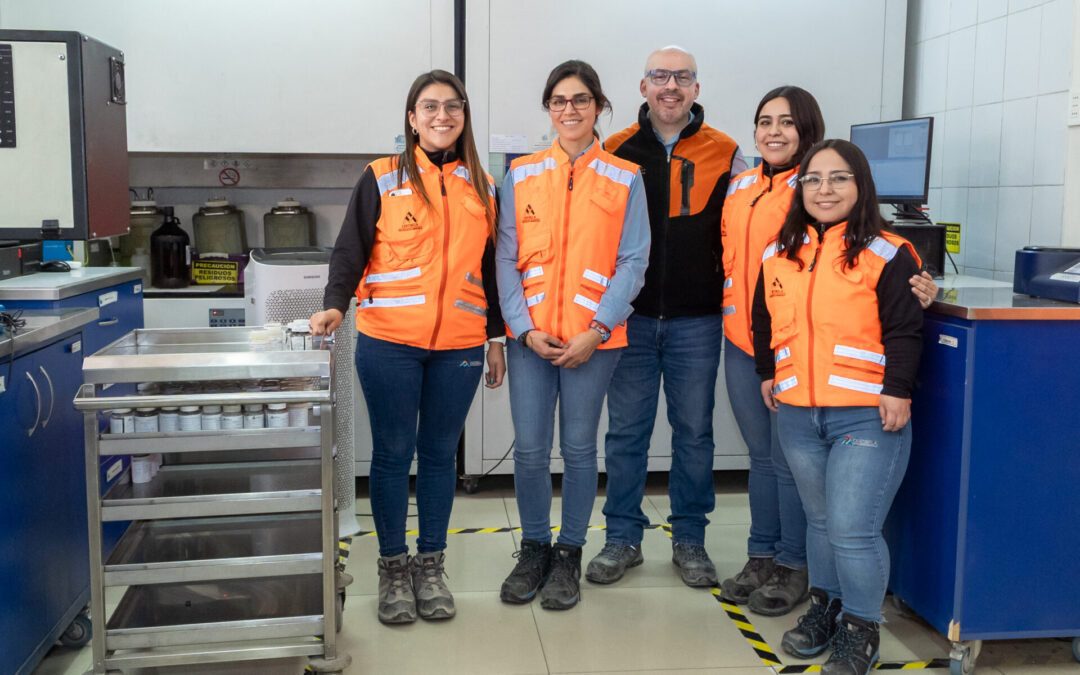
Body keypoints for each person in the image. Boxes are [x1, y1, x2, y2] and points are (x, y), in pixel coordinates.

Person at [718, 87, 938, 616]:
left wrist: (926, 288)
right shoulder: (740, 188)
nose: (774, 131)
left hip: (840, 386)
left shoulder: (842, 213)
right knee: (767, 464)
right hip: (763, 355)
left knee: (819, 498)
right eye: (764, 120)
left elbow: (895, 304)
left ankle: (799, 569)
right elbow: (749, 286)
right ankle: (766, 556)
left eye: (787, 122)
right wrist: (766, 363)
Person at [310, 69, 506, 626]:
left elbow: (491, 272)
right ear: (412, 118)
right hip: (388, 342)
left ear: (464, 115)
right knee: (394, 455)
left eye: (452, 107)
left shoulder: (483, 187)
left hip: (461, 343)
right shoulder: (380, 177)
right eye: (429, 107)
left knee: (441, 455)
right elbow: (350, 249)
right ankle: (393, 566)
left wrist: (495, 338)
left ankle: (431, 564)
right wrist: (334, 301)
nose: (441, 116)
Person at [752, 139, 924, 675]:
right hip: (800, 414)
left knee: (852, 527)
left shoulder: (889, 252)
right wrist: (767, 373)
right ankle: (825, 606)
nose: (824, 189)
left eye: (838, 178)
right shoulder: (777, 252)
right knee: (821, 521)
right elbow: (765, 321)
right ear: (799, 188)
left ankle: (861, 628)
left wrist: (898, 387)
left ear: (861, 185)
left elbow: (904, 328)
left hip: (866, 413)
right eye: (813, 179)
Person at [587, 46, 746, 588]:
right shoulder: (613, 149)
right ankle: (622, 537)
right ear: (643, 86)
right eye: (660, 76)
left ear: (696, 89)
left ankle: (690, 539)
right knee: (626, 434)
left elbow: (750, 226)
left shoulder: (725, 152)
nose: (670, 86)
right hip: (628, 319)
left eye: (682, 77)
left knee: (694, 434)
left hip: (696, 321)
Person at [495, 59, 650, 611]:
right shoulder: (521, 175)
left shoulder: (624, 177)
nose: (569, 109)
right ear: (548, 108)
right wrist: (523, 328)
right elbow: (506, 258)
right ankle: (534, 546)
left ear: (599, 106)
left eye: (581, 100)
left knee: (581, 449)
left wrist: (597, 328)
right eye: (559, 100)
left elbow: (634, 261)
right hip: (532, 340)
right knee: (532, 450)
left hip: (594, 343)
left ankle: (570, 554)